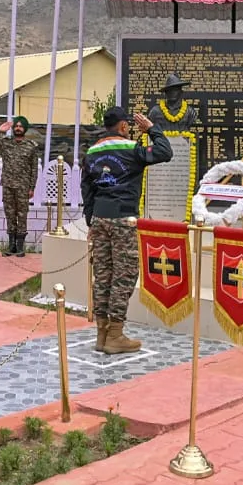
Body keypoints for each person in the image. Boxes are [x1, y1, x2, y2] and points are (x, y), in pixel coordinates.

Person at [81, 107, 173, 355]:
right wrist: (152, 129)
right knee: (124, 275)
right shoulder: (131, 149)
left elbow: (86, 189)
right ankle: (115, 335)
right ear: (123, 126)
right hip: (123, 219)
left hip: (99, 218)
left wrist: (91, 222)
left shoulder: (92, 151)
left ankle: (101, 333)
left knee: (103, 275)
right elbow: (165, 152)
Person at [0, 116, 42, 257]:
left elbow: (34, 169)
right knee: (10, 214)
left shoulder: (31, 146)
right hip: (8, 185)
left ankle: (20, 247)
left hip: (23, 186)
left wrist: (32, 188)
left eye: (21, 126)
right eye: (16, 126)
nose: (18, 128)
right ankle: (11, 246)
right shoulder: (5, 143)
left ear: (25, 129)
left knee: (22, 215)